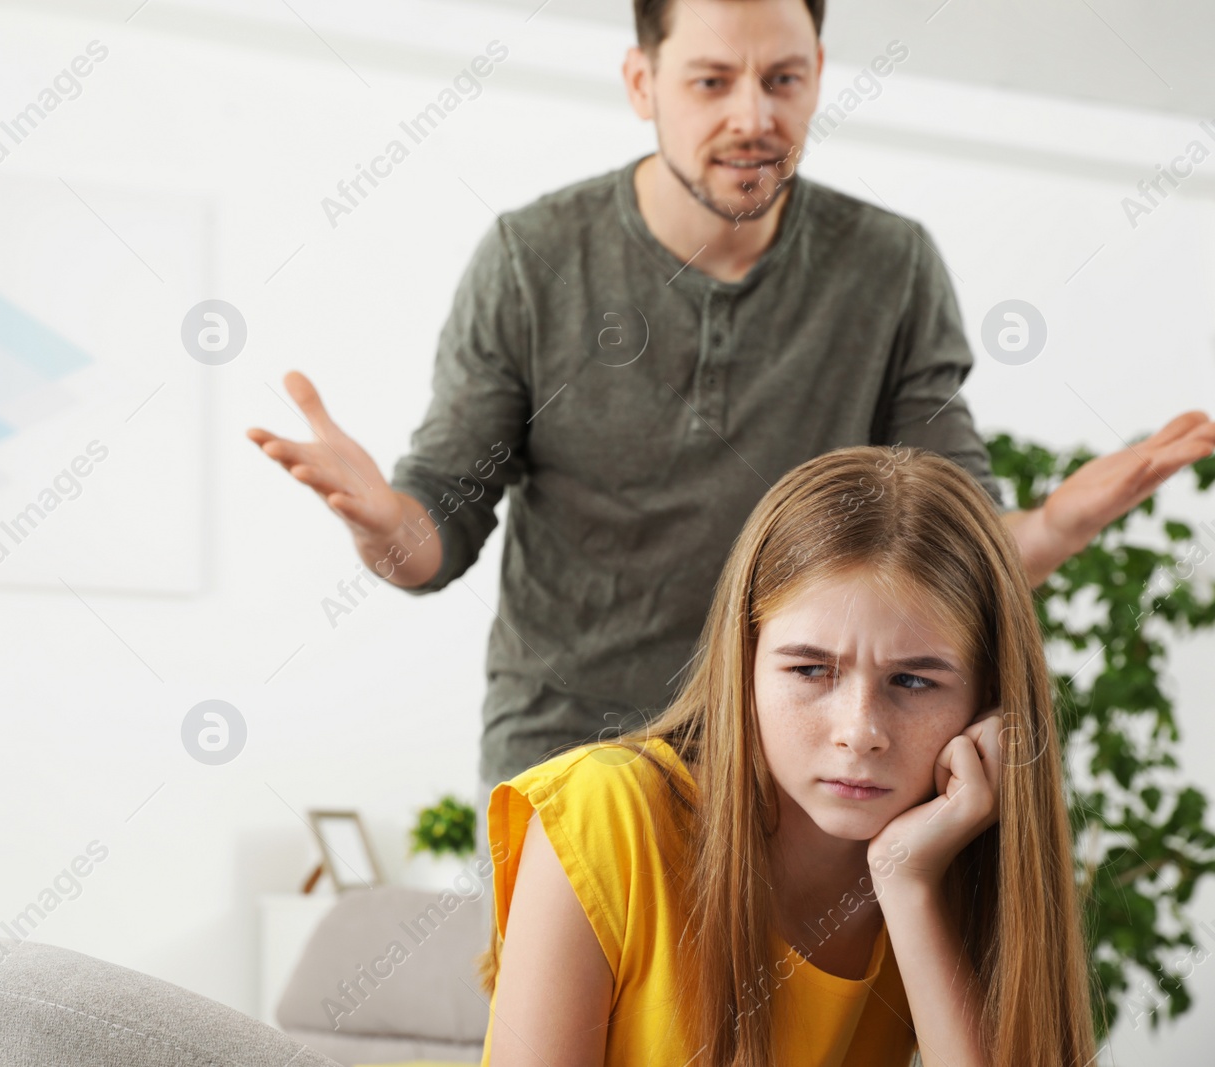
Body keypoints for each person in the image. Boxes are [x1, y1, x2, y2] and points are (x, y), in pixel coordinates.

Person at [246, 0, 1215, 920]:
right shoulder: (529, 260)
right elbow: (431, 540)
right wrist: (385, 522)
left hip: (794, 762)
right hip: (569, 745)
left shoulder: (890, 267)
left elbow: (948, 555)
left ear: (819, 75)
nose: (754, 115)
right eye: (710, 81)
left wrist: (1055, 525)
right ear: (642, 81)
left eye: (783, 79)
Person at [479, 444, 1094, 1067]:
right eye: (809, 670)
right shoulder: (601, 814)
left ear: (987, 698)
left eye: (912, 682)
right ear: (742, 664)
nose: (860, 733)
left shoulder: (956, 857)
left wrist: (907, 884)